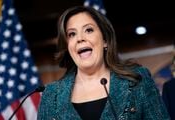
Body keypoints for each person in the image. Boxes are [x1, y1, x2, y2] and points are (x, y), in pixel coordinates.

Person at [37, 6, 170, 120]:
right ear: (67, 46)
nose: (80, 38)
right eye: (72, 34)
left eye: (88, 30)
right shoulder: (51, 94)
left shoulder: (137, 79)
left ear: (105, 40)